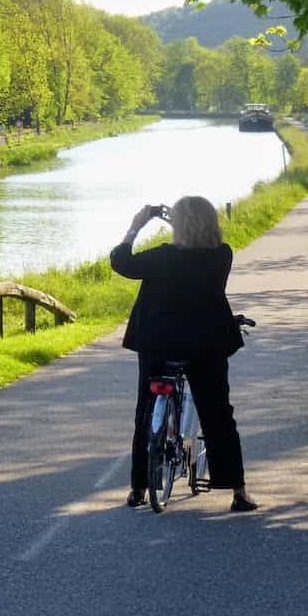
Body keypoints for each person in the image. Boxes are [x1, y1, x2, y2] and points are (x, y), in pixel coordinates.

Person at [110, 196, 258, 513]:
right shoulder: (222, 256)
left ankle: (138, 487)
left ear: (179, 225)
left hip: (158, 343)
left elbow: (121, 262)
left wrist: (136, 226)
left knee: (145, 412)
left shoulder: (161, 257)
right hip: (206, 345)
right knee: (218, 415)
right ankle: (239, 492)